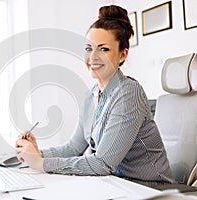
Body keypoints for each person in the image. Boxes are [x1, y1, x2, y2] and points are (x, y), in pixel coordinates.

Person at [15, 5, 174, 187]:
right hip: (116, 184)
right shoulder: (91, 96)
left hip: (150, 188)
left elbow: (102, 164)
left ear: (122, 55)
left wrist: (40, 164)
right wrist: (37, 154)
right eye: (88, 48)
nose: (93, 57)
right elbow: (74, 148)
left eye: (103, 49)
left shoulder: (129, 93)